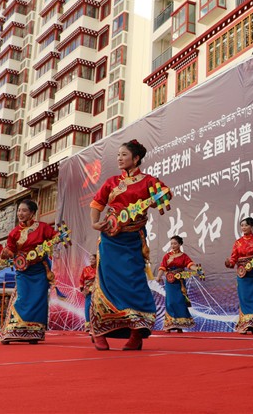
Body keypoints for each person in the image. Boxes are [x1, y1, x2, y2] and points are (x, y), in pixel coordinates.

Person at [89, 140, 170, 351]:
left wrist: (157, 199)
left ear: (136, 158)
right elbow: (97, 203)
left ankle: (136, 334)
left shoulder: (148, 181)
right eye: (118, 155)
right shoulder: (112, 182)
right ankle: (100, 332)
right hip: (110, 240)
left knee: (135, 283)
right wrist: (95, 222)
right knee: (106, 284)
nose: (119, 158)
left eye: (124, 155)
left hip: (133, 240)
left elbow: (165, 194)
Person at [0, 199, 57, 344]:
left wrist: (48, 245)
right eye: (19, 210)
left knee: (38, 299)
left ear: (32, 213)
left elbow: (55, 237)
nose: (20, 213)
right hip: (23, 270)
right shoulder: (14, 232)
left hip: (40, 269)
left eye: (24, 210)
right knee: (22, 297)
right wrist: (5, 253)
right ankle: (14, 328)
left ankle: (33, 332)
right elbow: (11, 250)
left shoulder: (43, 227)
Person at [224, 217, 253, 335]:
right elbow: (233, 258)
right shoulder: (238, 242)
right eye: (242, 225)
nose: (243, 227)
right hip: (243, 275)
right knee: (244, 299)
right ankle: (245, 325)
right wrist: (229, 263)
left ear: (252, 227)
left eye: (246, 225)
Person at [156, 236, 199, 333]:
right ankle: (169, 324)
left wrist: (198, 269)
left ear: (180, 244)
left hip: (180, 282)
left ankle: (179, 325)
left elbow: (190, 265)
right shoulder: (167, 256)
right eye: (171, 243)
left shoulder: (184, 256)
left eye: (175, 243)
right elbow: (162, 267)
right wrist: (158, 277)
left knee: (179, 302)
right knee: (170, 302)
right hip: (170, 282)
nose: (173, 245)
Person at [79, 254, 97, 332]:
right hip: (88, 290)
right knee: (87, 307)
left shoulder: (99, 269)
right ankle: (88, 325)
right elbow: (81, 280)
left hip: (97, 290)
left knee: (97, 307)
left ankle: (97, 325)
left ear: (96, 260)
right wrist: (82, 289)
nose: (91, 260)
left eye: (93, 259)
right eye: (90, 259)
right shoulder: (86, 269)